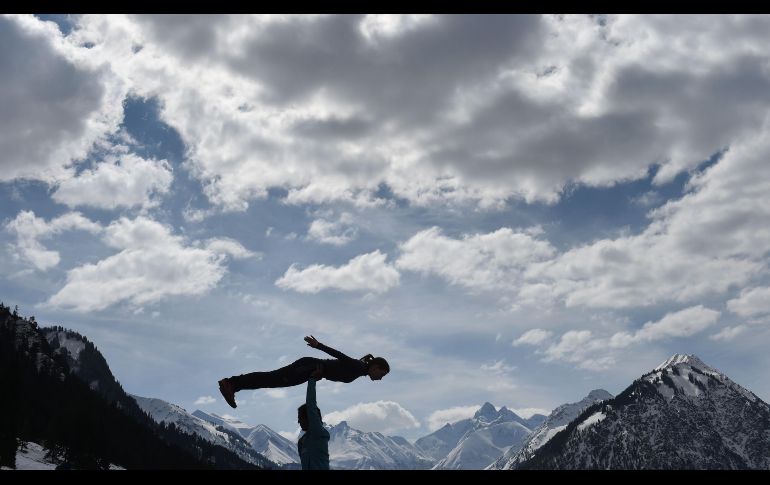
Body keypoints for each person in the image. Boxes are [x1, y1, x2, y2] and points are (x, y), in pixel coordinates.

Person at [218, 335, 389, 408]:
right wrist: (318, 345)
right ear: (375, 367)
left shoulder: (359, 371)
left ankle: (233, 385)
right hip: (308, 367)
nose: (380, 378)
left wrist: (321, 375)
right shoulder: (359, 367)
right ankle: (231, 384)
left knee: (271, 380)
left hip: (310, 370)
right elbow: (340, 356)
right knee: (270, 379)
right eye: (381, 374)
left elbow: (334, 369)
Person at [297, 365, 329, 470]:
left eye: (300, 418)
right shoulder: (302, 442)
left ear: (309, 418)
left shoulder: (317, 431)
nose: (298, 422)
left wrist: (312, 379)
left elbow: (311, 405)